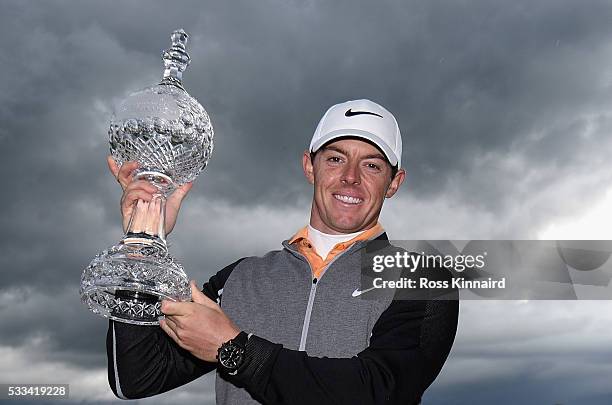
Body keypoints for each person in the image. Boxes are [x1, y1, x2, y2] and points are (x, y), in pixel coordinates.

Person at [106, 99, 459, 404]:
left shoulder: (422, 277)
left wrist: (235, 350)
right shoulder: (239, 279)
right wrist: (143, 243)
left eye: (371, 165)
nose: (351, 177)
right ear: (309, 166)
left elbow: (376, 393)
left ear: (394, 183)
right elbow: (136, 378)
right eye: (336, 159)